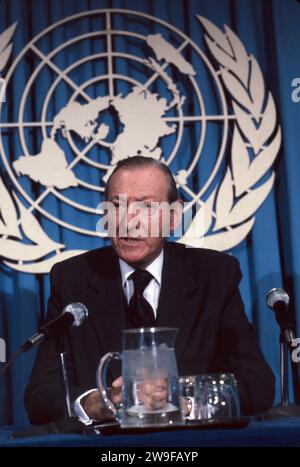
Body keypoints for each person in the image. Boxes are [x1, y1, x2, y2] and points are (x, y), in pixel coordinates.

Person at [24, 156, 275, 425]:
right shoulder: (72, 279)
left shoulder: (214, 275)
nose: (129, 222)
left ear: (173, 216)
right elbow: (41, 396)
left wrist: (182, 402)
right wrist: (99, 402)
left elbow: (257, 385)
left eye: (145, 207)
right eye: (117, 206)